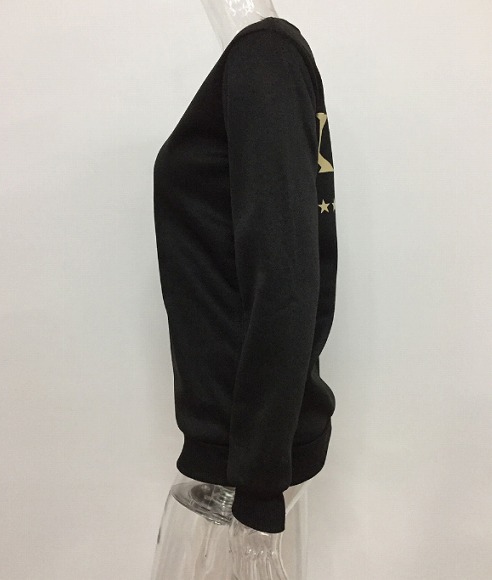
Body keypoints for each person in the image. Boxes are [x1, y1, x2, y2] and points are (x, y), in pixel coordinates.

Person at [151, 1, 337, 577]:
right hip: (239, 457)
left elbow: (286, 281)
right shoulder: (266, 61)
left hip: (238, 473)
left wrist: (258, 491)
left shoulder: (265, 59)